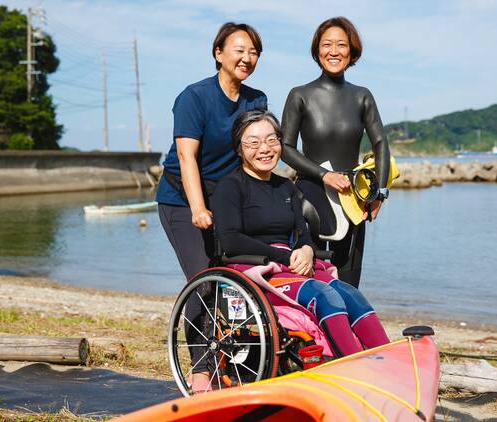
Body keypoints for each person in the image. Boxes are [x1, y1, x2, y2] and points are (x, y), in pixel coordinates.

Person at [213, 109, 390, 359]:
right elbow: (231, 240)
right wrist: (283, 258)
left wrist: (306, 249)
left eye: (271, 140)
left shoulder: (285, 186)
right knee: (323, 295)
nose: (264, 148)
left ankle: (385, 357)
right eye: (253, 142)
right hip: (256, 269)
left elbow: (301, 232)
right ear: (239, 148)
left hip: (291, 265)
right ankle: (353, 364)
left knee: (350, 293)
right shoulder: (230, 187)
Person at [155, 22, 266, 390]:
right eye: (238, 50)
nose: (246, 58)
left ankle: (235, 361)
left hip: (225, 200)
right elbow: (187, 158)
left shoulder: (256, 100)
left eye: (253, 52)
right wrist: (198, 209)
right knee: (203, 281)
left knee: (237, 281)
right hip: (181, 200)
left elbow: (254, 155)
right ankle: (200, 368)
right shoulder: (194, 97)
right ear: (218, 54)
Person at [281, 17, 391, 288]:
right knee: (310, 279)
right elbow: (285, 147)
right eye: (327, 44)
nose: (334, 51)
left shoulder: (362, 96)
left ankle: (345, 330)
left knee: (349, 282)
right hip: (310, 195)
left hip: (353, 198)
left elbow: (381, 145)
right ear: (317, 50)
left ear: (352, 52)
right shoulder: (300, 95)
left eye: (341, 45)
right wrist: (324, 175)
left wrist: (379, 195)